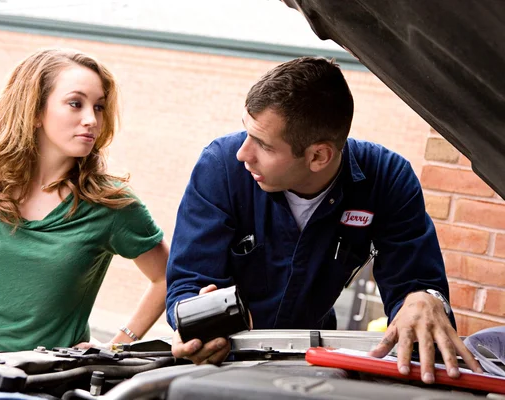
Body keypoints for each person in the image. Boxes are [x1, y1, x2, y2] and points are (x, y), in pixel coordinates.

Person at [166, 57, 483, 383]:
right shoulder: (221, 167)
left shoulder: (387, 180)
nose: (243, 154)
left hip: (312, 368)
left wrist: (425, 299)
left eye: (262, 144)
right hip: (224, 367)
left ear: (319, 156)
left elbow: (415, 288)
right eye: (247, 131)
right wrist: (197, 323)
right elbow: (187, 284)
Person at [0, 48, 168, 353]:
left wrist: (118, 345)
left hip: (47, 380)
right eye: (76, 104)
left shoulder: (110, 203)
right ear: (34, 111)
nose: (91, 119)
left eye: (99, 107)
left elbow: (167, 276)